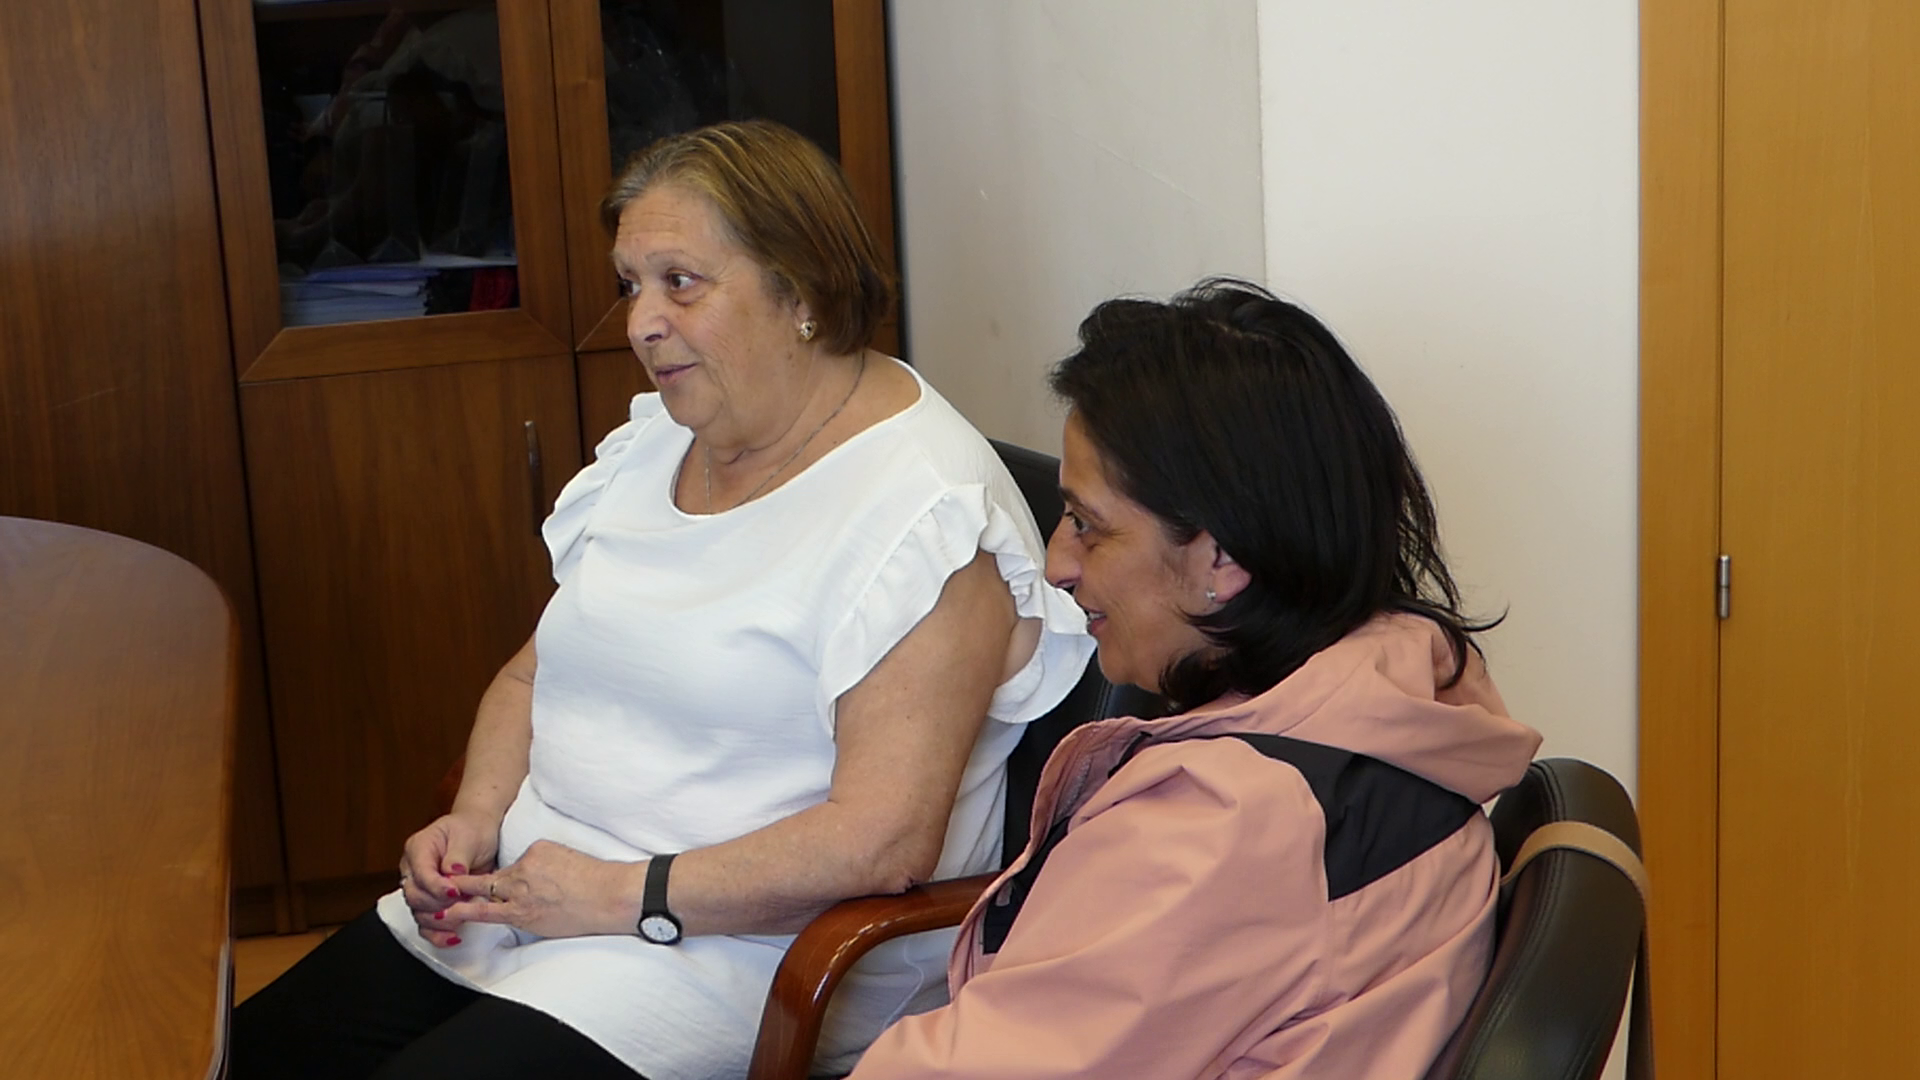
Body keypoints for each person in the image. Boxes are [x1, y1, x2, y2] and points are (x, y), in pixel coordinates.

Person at [231, 120, 1094, 1080]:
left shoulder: (925, 511)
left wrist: (614, 894)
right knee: (240, 1057)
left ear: (801, 289)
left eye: (680, 282)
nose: (641, 322)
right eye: (630, 285)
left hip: (733, 955)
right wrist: (474, 818)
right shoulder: (661, 440)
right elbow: (534, 673)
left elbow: (880, 841)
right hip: (524, 898)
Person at [846, 280, 1544, 1079]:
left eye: (1087, 525)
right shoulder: (1397, 692)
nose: (1058, 563)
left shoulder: (1221, 832)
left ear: (1222, 558)